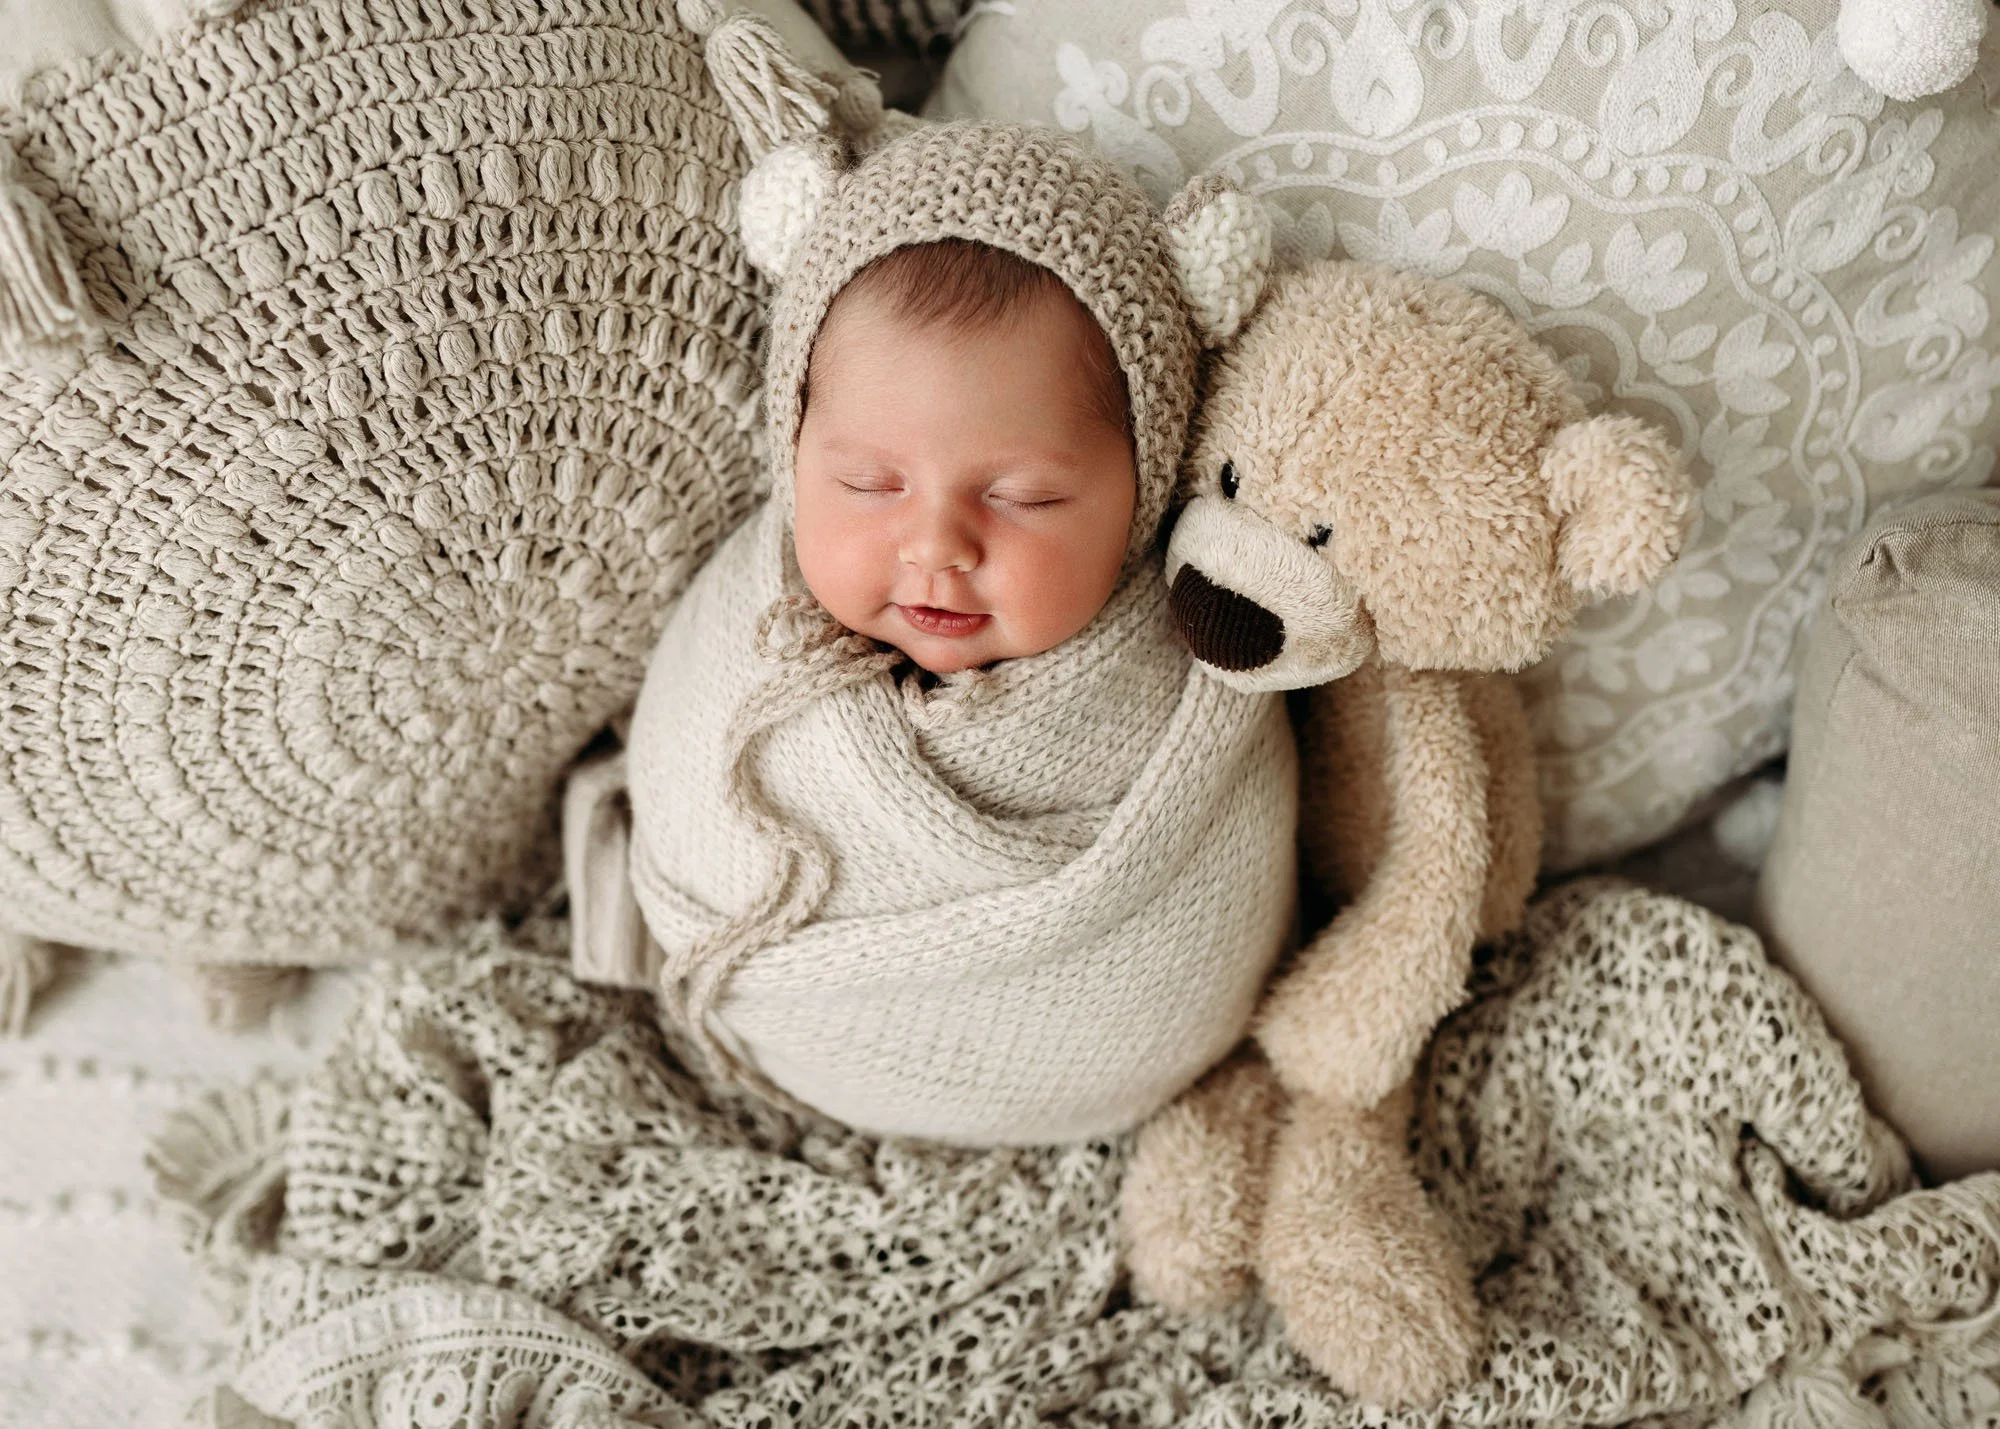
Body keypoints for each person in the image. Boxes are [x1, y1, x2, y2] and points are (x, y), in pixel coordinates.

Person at [565, 122, 1298, 1147]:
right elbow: (682, 772)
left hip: (1096, 1070)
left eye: (1025, 497)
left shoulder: (1194, 674)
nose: (936, 547)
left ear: (1143, 488)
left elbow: (1201, 926)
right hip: (783, 1037)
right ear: (794, 448)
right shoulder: (746, 625)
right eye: (869, 484)